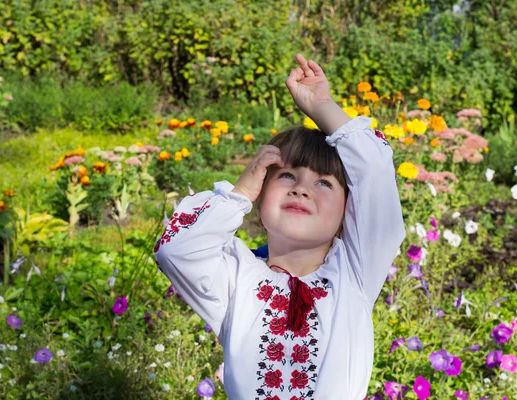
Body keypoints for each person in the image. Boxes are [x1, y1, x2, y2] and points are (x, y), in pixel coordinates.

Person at [154, 53, 405, 399]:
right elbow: (175, 249)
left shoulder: (356, 271)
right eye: (287, 175)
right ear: (258, 200)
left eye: (324, 183)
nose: (301, 188)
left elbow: (375, 172)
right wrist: (238, 193)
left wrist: (322, 107)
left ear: (348, 211)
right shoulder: (236, 278)